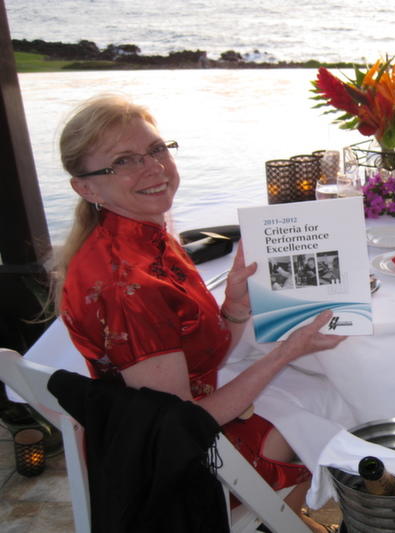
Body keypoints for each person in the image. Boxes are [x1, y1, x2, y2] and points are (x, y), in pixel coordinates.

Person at [57, 94, 345, 532]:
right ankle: (282, 520)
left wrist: (232, 309)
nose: (154, 168)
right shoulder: (127, 286)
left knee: (319, 392)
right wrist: (284, 352)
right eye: (125, 161)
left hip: (148, 431)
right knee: (337, 407)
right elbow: (184, 427)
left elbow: (197, 362)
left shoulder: (144, 236)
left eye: (156, 149)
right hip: (172, 469)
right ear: (87, 187)